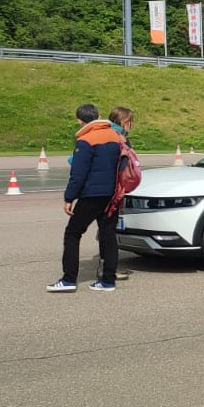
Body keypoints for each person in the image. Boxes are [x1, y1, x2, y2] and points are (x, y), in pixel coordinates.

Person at [48, 103, 122, 292]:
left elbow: (78, 174)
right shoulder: (115, 136)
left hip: (92, 194)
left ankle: (68, 279)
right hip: (113, 193)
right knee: (108, 235)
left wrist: (69, 197)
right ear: (98, 116)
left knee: (72, 233)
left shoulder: (86, 139)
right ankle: (108, 281)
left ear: (79, 120)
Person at [107, 105, 137, 280]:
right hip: (112, 189)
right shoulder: (118, 137)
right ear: (123, 121)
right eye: (130, 121)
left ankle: (107, 266)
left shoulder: (103, 133)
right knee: (109, 230)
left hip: (102, 188)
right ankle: (109, 270)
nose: (131, 125)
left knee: (106, 229)